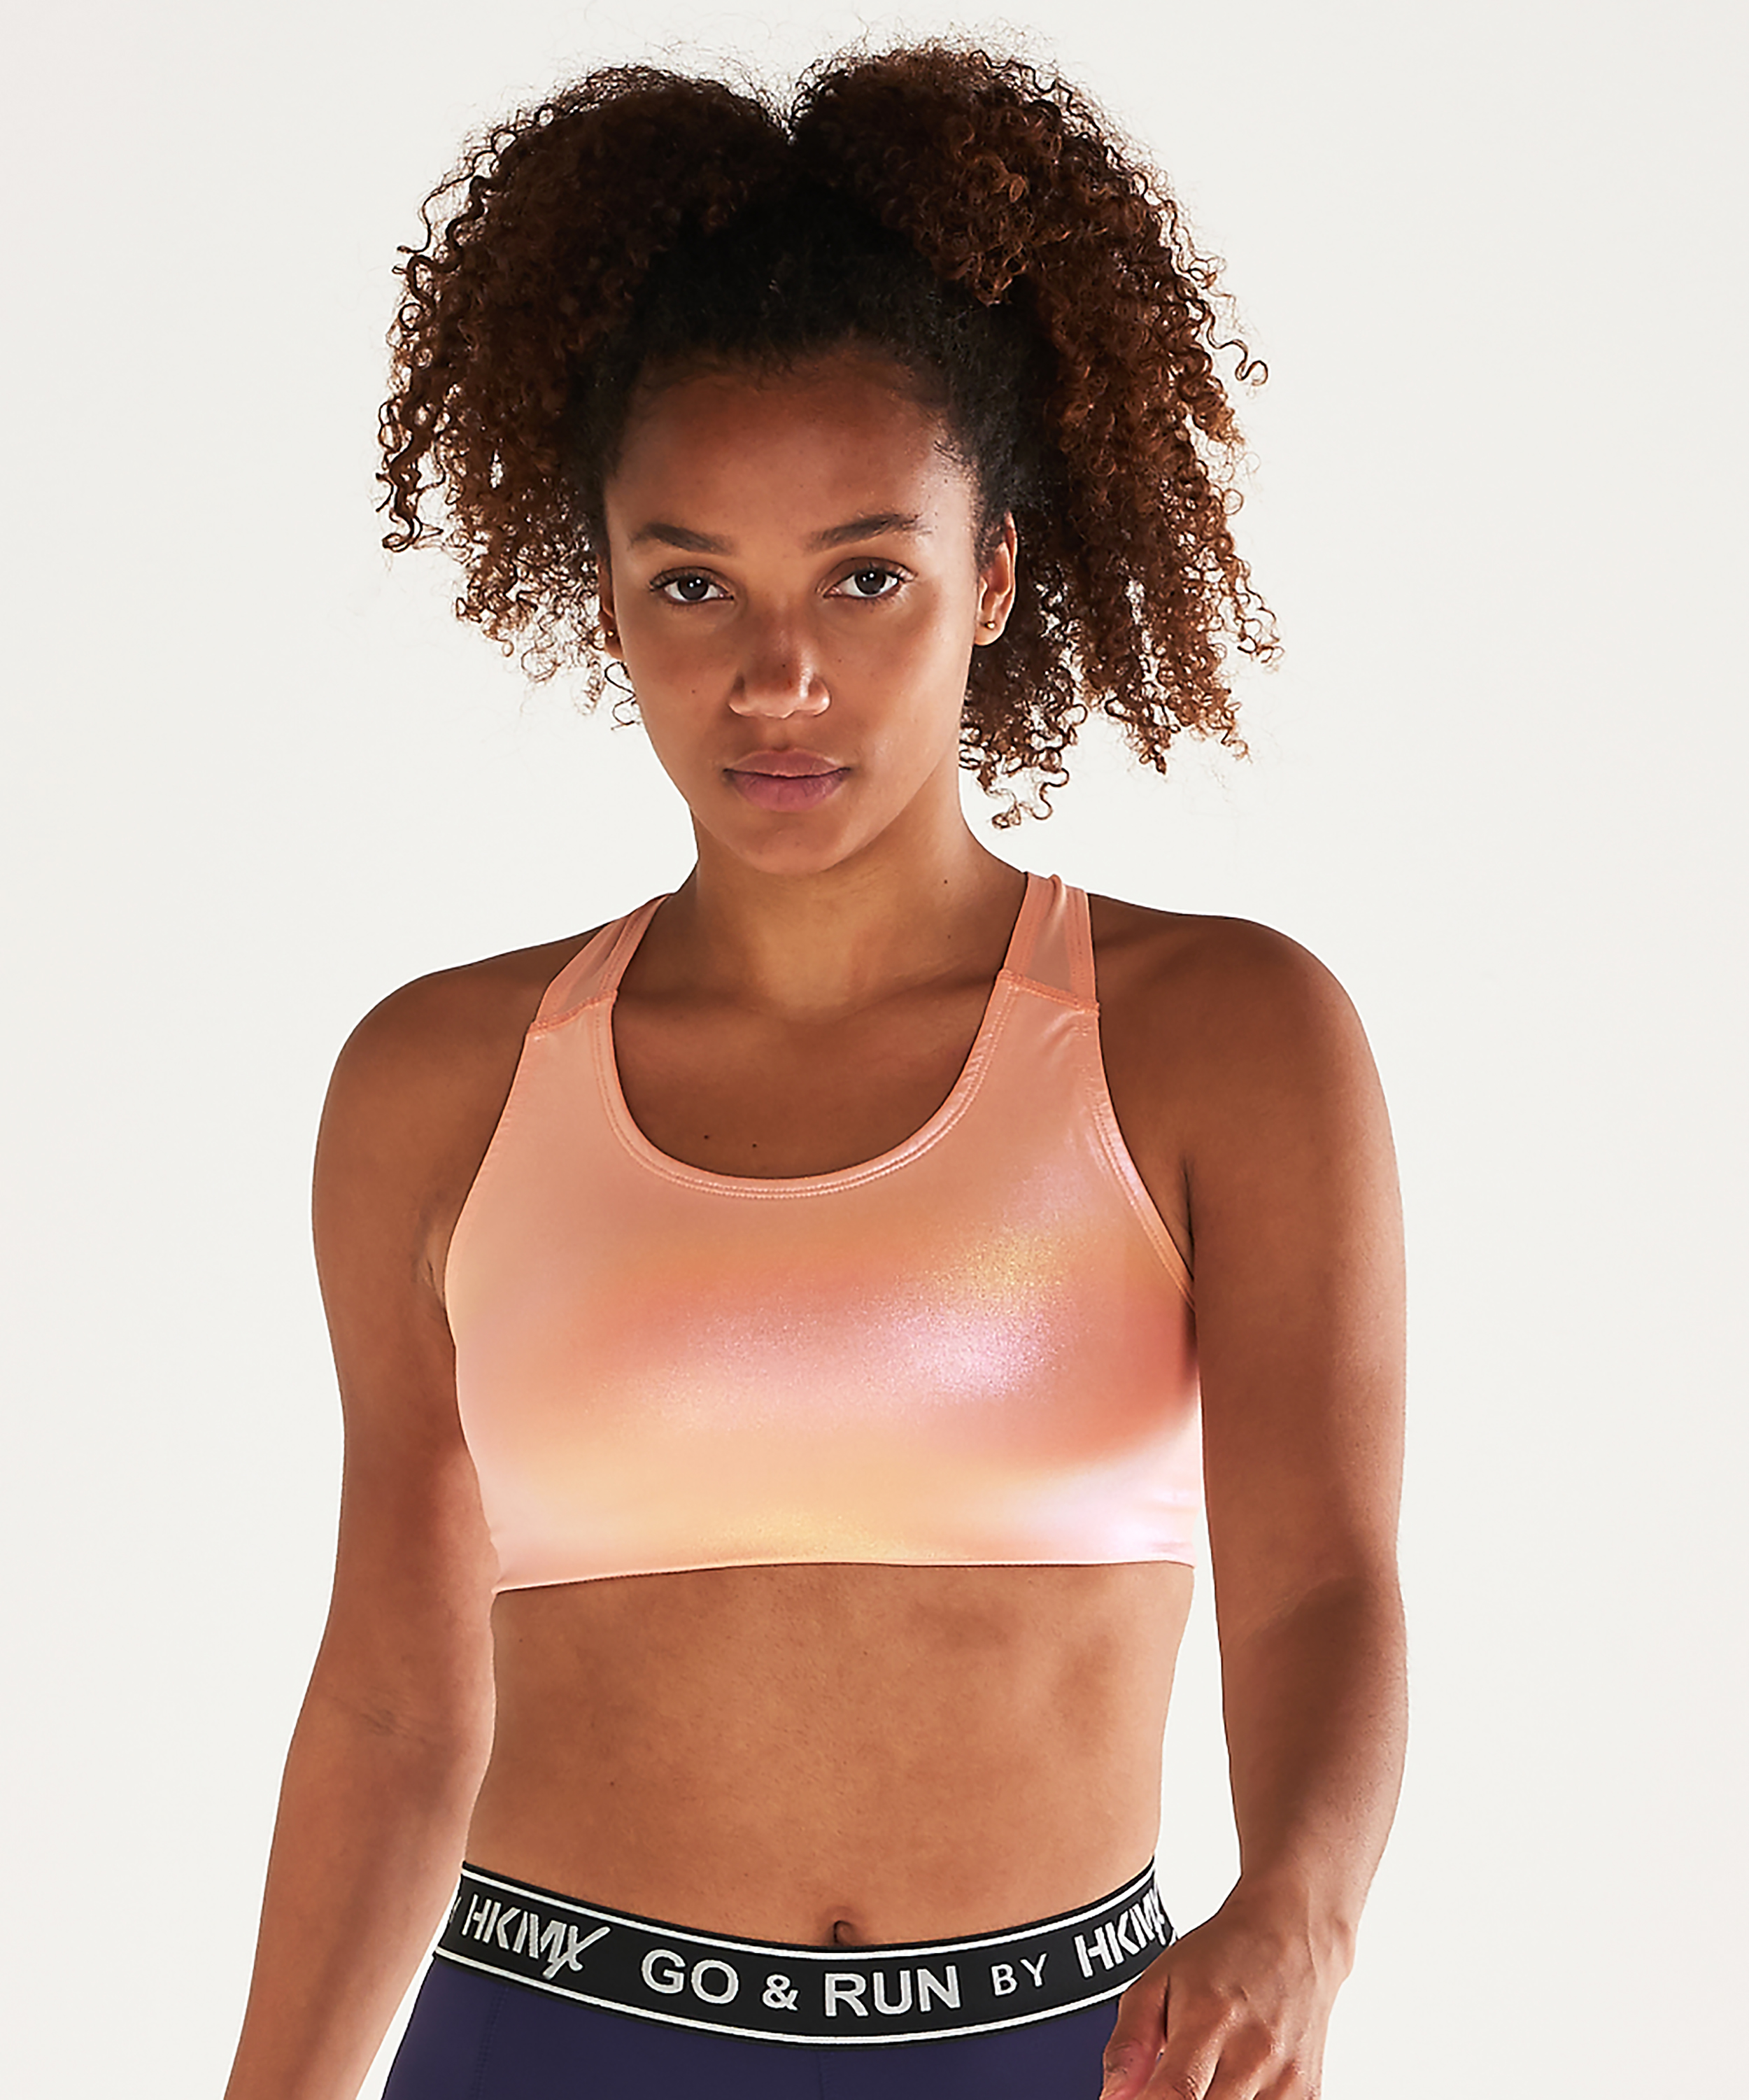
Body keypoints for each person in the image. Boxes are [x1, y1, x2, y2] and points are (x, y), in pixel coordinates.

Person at [222, 43, 1406, 2100]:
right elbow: (398, 1701)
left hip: (1078, 2056)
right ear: (606, 595)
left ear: (994, 577)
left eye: (866, 576)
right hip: (547, 2047)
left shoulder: (1221, 1040)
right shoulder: (443, 1086)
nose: (779, 676)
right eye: (694, 584)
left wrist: (1298, 1908)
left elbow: (1318, 1580)